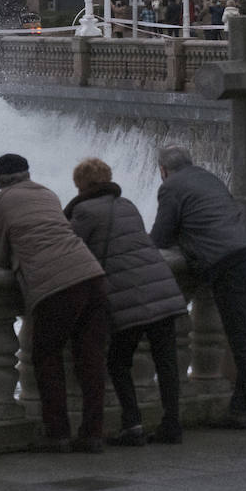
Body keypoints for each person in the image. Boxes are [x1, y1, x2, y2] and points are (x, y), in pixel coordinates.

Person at [0, 153, 109, 453]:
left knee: (46, 355)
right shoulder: (48, 192)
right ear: (29, 176)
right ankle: (93, 433)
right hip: (93, 275)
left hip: (57, 286)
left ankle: (57, 432)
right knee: (91, 357)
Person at [65, 158, 187, 446]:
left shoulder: (82, 211)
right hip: (161, 288)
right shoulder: (127, 204)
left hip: (126, 295)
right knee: (166, 362)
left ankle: (132, 424)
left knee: (118, 362)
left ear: (81, 184)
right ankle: (172, 424)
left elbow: (71, 247)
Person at [150, 145, 246, 429]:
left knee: (242, 338)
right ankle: (242, 409)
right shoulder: (210, 177)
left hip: (229, 263)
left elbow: (159, 237)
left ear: (162, 170)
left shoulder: (171, 187)